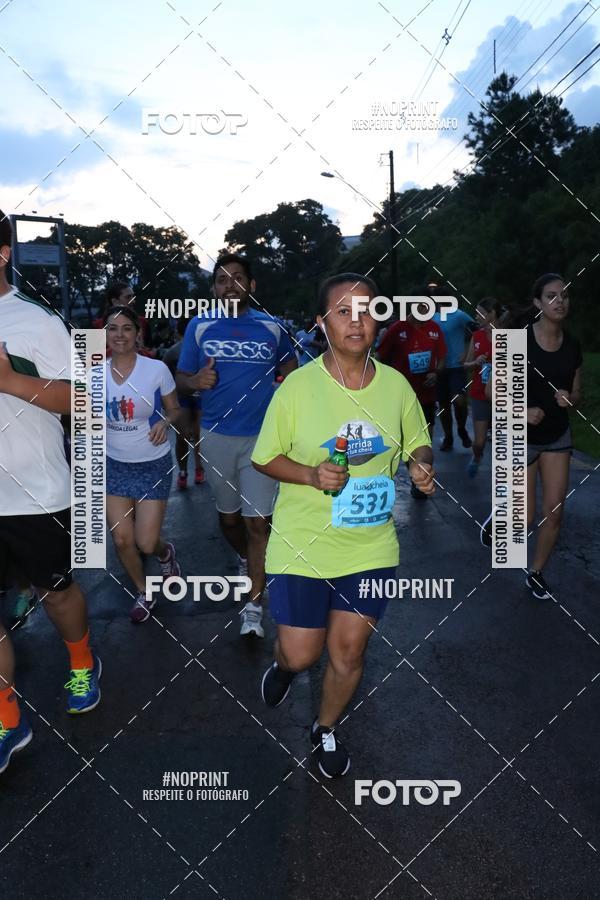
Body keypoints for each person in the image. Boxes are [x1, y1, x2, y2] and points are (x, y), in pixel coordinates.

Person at [252, 273, 434, 777]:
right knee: (301, 652)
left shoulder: (396, 386)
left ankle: (325, 728)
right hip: (303, 542)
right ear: (321, 323)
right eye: (344, 312)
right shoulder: (297, 388)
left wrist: (420, 463)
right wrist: (310, 474)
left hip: (370, 545)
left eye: (367, 311)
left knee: (349, 652)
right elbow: (265, 458)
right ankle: (285, 666)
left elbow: (417, 438)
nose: (357, 322)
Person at [0, 211, 101, 775]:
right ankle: (7, 718)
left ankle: (82, 661)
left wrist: (12, 381)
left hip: (37, 493)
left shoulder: (37, 321)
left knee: (57, 594)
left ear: (2, 254)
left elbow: (82, 401)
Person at [177, 254, 297, 638]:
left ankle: (253, 609)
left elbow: (292, 374)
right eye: (222, 280)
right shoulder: (200, 326)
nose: (230, 285)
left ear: (251, 285)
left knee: (258, 523)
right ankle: (246, 559)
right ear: (214, 288)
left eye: (238, 278)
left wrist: (287, 399)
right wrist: (197, 381)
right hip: (217, 437)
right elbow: (181, 379)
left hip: (263, 440)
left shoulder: (273, 327)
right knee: (229, 520)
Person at [480, 275, 582, 601]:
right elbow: (490, 390)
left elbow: (577, 391)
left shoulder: (572, 345)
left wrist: (570, 398)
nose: (560, 301)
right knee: (523, 518)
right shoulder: (517, 341)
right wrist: (522, 412)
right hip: (520, 435)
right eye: (551, 296)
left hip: (556, 435)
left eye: (564, 295)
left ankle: (536, 572)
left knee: (555, 511)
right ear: (538, 303)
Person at [102, 306, 182, 623]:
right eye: (112, 328)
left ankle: (165, 553)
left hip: (151, 463)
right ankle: (144, 591)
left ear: (138, 334)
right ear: (105, 334)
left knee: (146, 542)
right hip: (113, 465)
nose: (119, 334)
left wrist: (165, 422)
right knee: (122, 539)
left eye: (126, 328)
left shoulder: (156, 369)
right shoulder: (93, 373)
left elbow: (175, 409)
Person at [377, 299, 446, 498]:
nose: (424, 312)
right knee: (406, 437)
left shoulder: (434, 329)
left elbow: (442, 359)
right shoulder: (397, 329)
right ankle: (412, 472)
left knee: (426, 437)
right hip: (402, 394)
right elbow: (380, 356)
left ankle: (420, 475)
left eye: (427, 309)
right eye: (421, 308)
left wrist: (435, 374)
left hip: (426, 394)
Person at [463, 298, 503, 477]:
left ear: (491, 314)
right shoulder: (476, 336)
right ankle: (477, 456)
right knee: (479, 442)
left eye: (479, 313)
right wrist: (476, 362)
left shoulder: (508, 337)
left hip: (502, 395)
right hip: (479, 394)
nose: (476, 317)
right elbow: (466, 364)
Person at [431, 285, 474, 451]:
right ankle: (448, 437)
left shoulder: (459, 315)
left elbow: (477, 331)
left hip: (457, 366)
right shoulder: (432, 318)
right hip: (439, 367)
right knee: (443, 404)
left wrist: (467, 352)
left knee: (459, 400)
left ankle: (462, 429)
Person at [163, 318, 204, 489]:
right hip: (181, 399)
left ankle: (199, 468)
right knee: (183, 437)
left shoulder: (206, 349)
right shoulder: (172, 353)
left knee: (198, 436)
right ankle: (183, 471)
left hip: (202, 397)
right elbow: (164, 379)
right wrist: (167, 404)